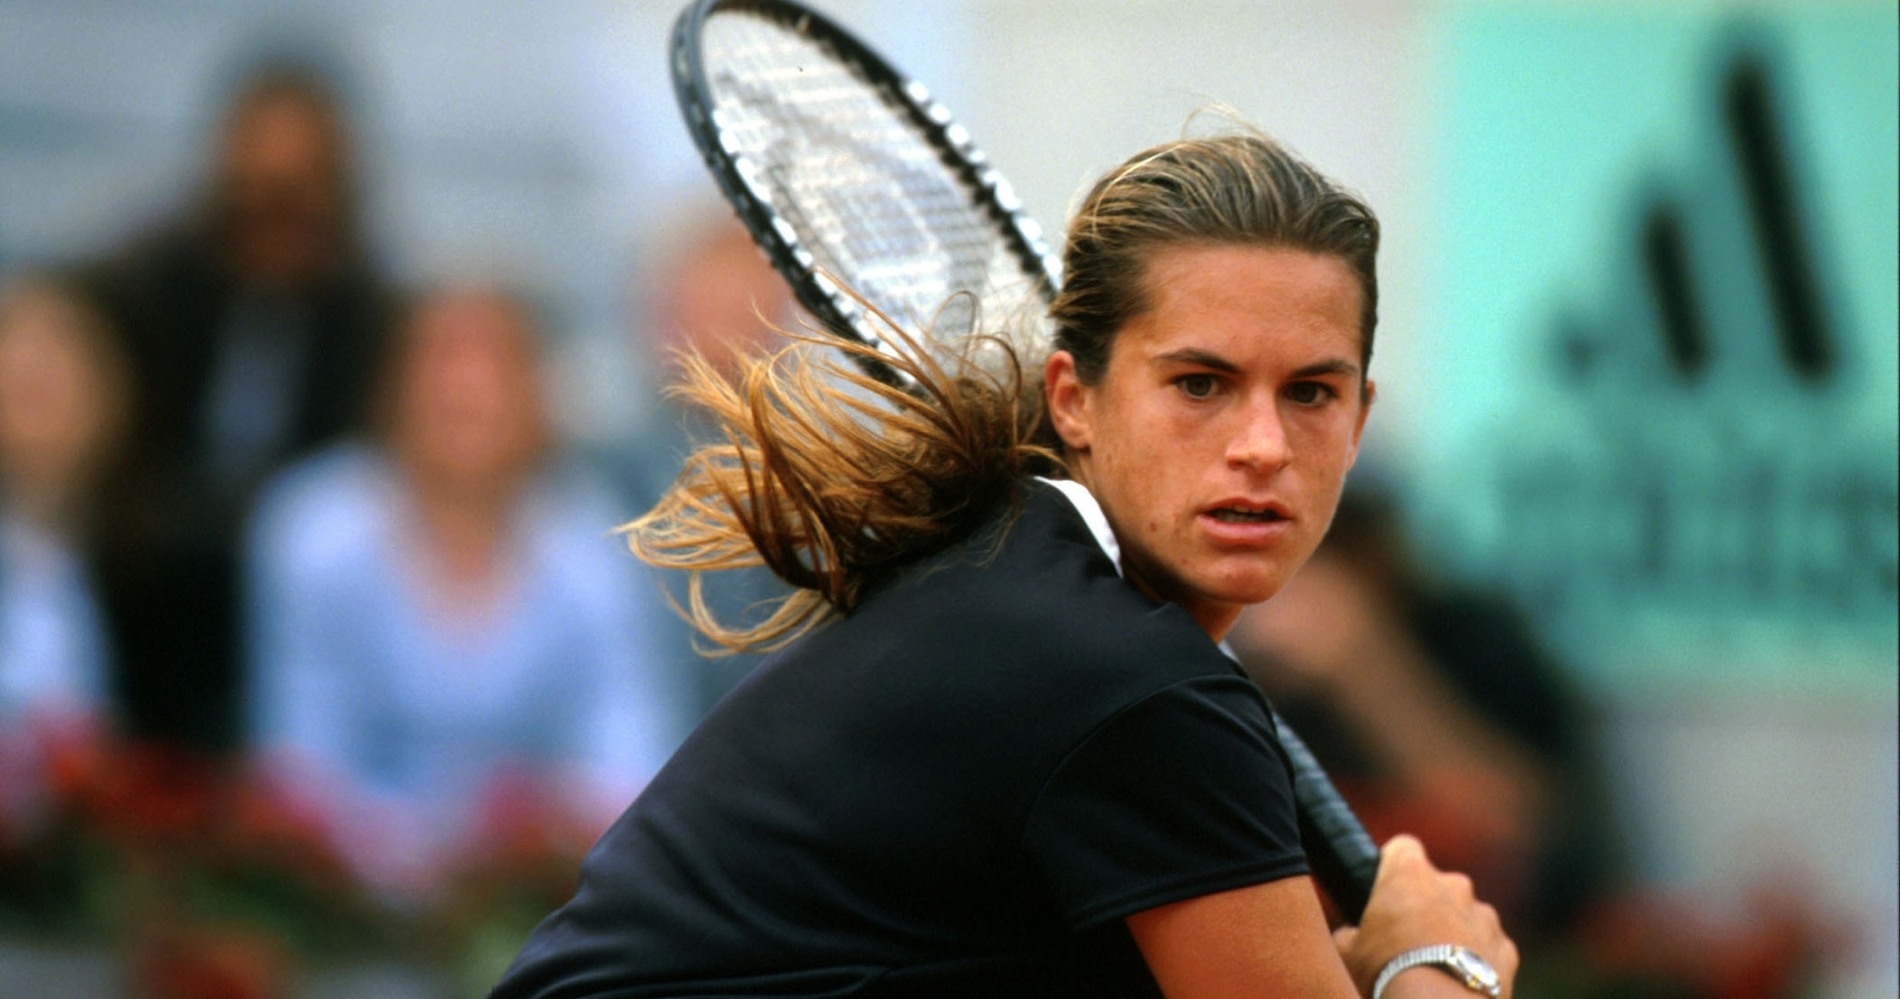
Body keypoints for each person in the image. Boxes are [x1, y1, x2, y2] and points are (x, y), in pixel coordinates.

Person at [490, 132, 1518, 999]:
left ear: (1359, 420)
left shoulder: (1019, 578)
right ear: (1073, 399)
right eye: (1200, 384)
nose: (1262, 444)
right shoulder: (1129, 685)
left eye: (1310, 394)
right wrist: (1442, 962)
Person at [245, 284, 690, 897]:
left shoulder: (601, 551)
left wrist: (519, 853)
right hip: (341, 903)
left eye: (497, 360)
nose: (466, 388)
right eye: (440, 357)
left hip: (541, 902)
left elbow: (632, 768)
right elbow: (298, 772)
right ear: (388, 385)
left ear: (543, 395)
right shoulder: (312, 532)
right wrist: (423, 860)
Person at [79, 57, 393, 753]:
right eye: (256, 188)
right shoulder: (138, 292)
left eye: (300, 190)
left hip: (299, 613)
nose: (275, 212)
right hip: (137, 599)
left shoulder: (375, 322)